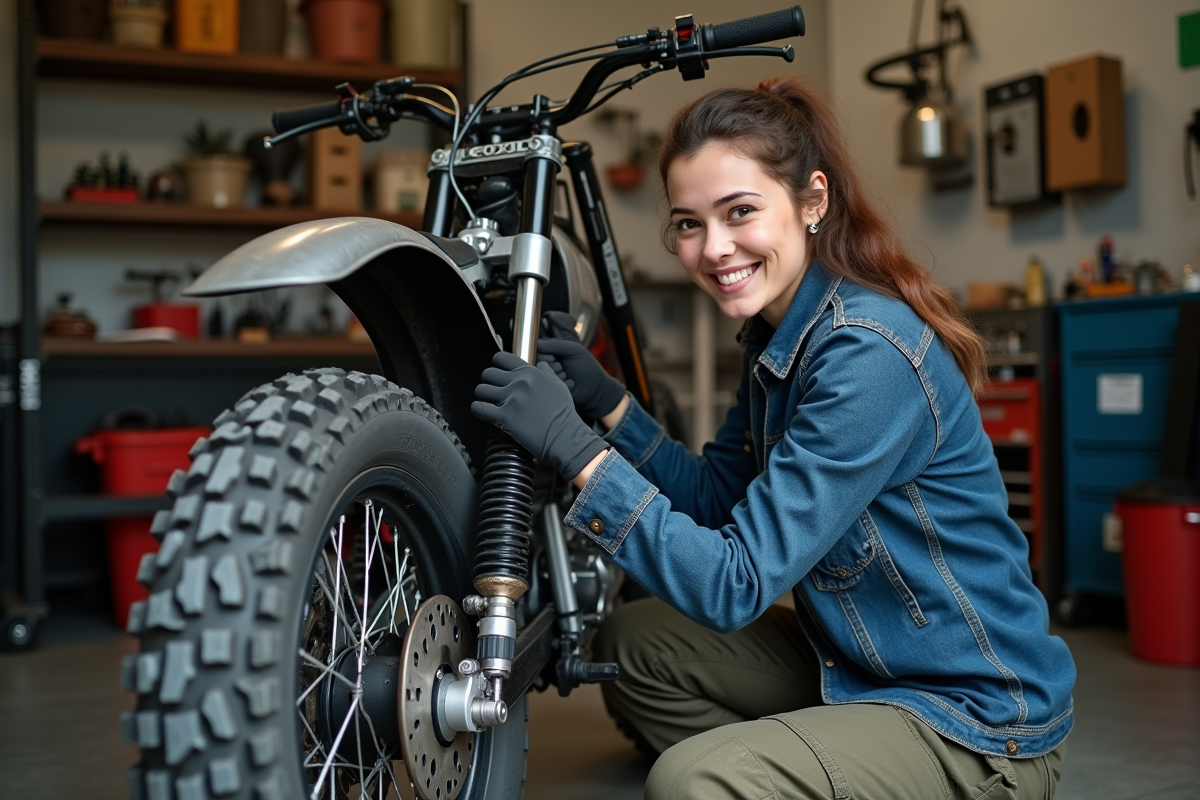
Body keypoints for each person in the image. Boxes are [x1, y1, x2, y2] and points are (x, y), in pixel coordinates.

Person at [471, 75, 1074, 800]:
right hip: (856, 667)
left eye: (740, 212)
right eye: (689, 223)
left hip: (974, 722)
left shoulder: (867, 355)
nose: (714, 248)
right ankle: (828, 760)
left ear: (812, 202)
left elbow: (735, 584)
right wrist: (608, 408)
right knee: (634, 646)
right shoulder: (774, 338)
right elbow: (716, 499)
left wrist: (575, 451)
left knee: (695, 779)